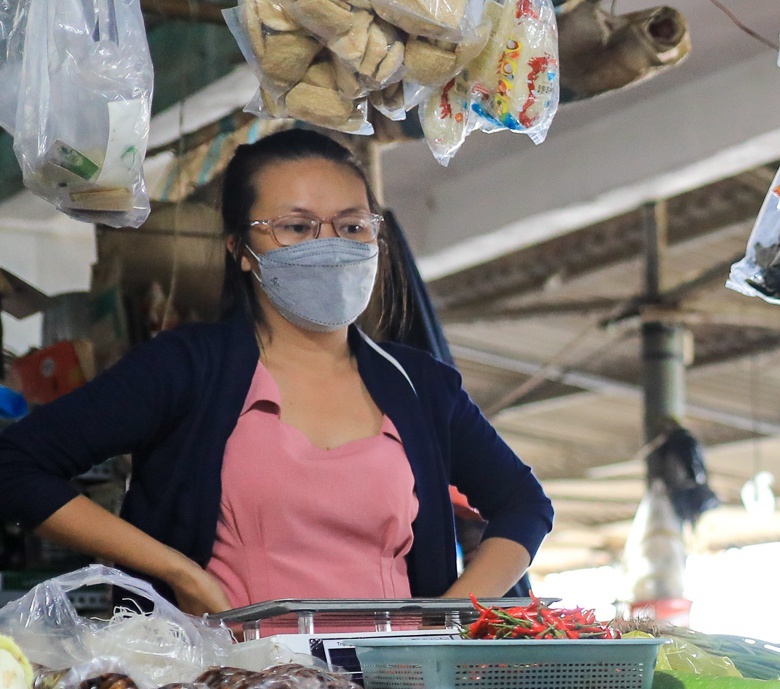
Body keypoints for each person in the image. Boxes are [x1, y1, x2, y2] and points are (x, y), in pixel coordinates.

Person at [0, 128, 552, 612]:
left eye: (352, 227)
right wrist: (176, 571)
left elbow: (524, 504)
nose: (330, 247)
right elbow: (17, 466)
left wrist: (449, 622)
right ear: (241, 249)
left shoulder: (423, 386)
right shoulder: (187, 368)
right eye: (296, 227)